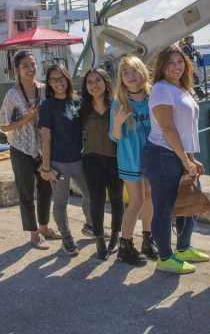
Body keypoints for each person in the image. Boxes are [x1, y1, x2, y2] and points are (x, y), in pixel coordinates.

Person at [140, 45, 210, 274]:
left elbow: (185, 128)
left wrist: (191, 158)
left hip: (179, 154)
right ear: (162, 66)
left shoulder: (181, 88)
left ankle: (182, 248)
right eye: (171, 62)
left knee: (189, 202)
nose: (176, 66)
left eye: (179, 61)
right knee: (164, 208)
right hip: (161, 154)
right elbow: (168, 129)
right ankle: (165, 257)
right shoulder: (161, 89)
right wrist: (185, 160)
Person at [0, 50, 61, 249]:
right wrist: (26, 120)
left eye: (33, 64)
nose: (30, 69)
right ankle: (33, 233)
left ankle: (44, 227)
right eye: (25, 66)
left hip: (43, 148)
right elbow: (3, 126)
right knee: (26, 193)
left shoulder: (44, 89)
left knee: (45, 190)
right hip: (20, 148)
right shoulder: (12, 95)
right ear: (17, 69)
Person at [38, 63, 93, 256]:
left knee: (91, 195)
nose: (58, 82)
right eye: (54, 79)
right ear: (49, 83)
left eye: (61, 78)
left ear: (67, 79)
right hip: (57, 163)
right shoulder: (47, 106)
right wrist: (46, 168)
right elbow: (45, 138)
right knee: (61, 201)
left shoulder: (77, 101)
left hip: (78, 159)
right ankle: (67, 238)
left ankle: (90, 225)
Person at [110, 56, 156, 266]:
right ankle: (125, 245)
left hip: (152, 153)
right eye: (125, 72)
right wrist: (117, 124)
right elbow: (115, 137)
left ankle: (148, 239)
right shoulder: (119, 101)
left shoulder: (153, 94)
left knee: (150, 200)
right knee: (136, 201)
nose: (130, 76)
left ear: (142, 72)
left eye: (134, 71)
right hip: (130, 157)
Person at [80, 68, 123, 261]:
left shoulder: (117, 105)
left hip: (115, 159)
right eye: (89, 82)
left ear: (106, 82)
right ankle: (99, 237)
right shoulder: (83, 109)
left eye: (98, 80)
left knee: (116, 198)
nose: (94, 85)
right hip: (92, 160)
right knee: (96, 200)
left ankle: (115, 235)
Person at [181, 35, 207, 100]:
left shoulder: (191, 46)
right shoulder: (186, 47)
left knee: (194, 80)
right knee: (194, 80)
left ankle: (199, 95)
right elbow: (187, 58)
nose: (193, 38)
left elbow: (195, 52)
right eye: (191, 37)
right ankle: (199, 95)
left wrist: (199, 53)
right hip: (186, 67)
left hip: (189, 67)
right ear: (188, 39)